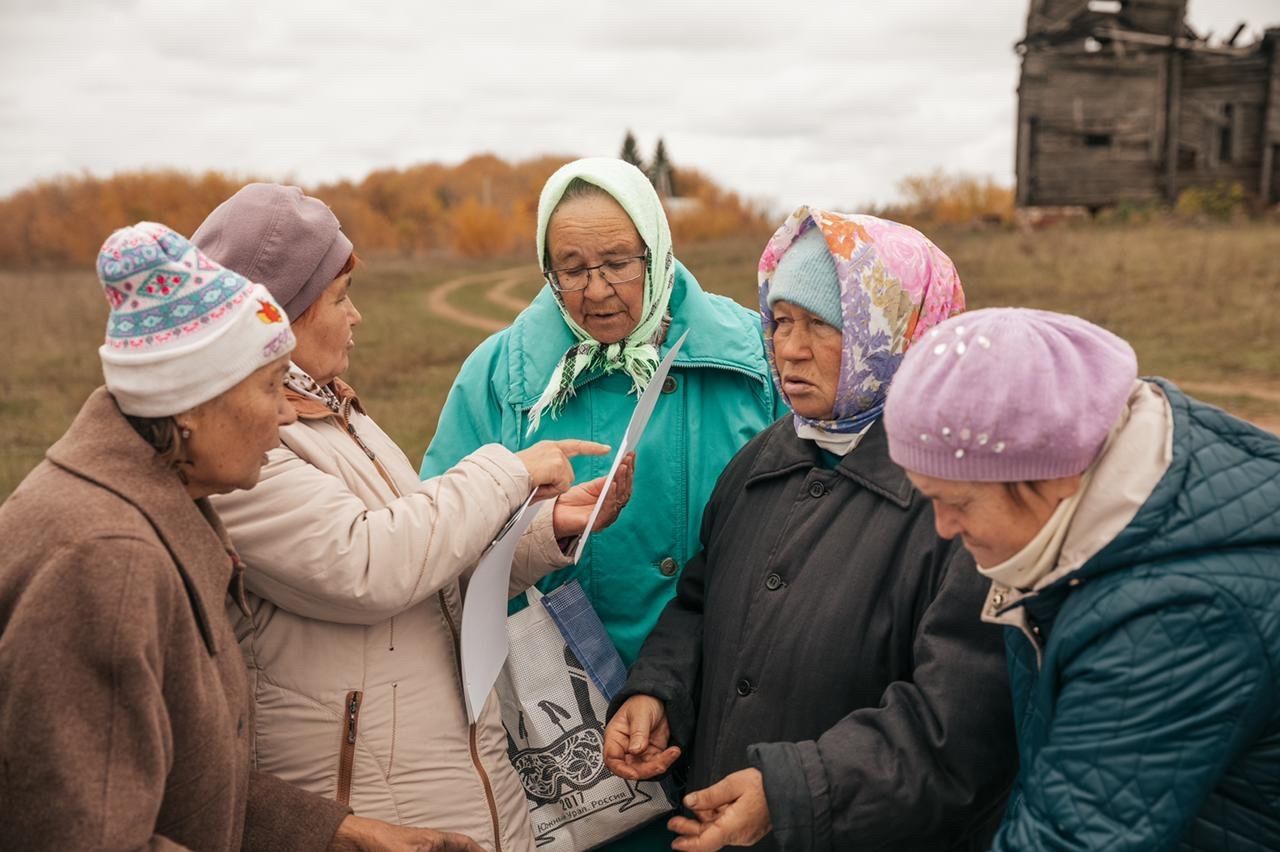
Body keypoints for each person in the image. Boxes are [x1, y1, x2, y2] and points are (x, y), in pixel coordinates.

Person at [0, 222, 481, 851]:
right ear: (191, 408)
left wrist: (338, 833)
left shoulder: (168, 508)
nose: (287, 414)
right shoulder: (104, 561)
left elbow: (180, 779)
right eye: (268, 386)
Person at [194, 184, 632, 851]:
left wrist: (549, 530)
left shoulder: (338, 416)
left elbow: (435, 570)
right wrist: (508, 469)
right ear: (279, 318)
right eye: (339, 300)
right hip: (363, 804)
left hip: (466, 783)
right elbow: (369, 565)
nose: (356, 317)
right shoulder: (245, 446)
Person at [604, 209, 1018, 852]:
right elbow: (700, 604)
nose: (790, 348)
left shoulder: (960, 501)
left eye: (823, 325)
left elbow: (959, 725)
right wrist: (659, 691)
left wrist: (792, 794)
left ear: (896, 331)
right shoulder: (763, 460)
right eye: (781, 321)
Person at [420, 159, 787, 848]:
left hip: (731, 702)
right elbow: (438, 534)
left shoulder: (753, 361)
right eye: (572, 268)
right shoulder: (502, 379)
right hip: (569, 728)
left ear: (658, 247)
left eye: (619, 261)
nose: (596, 290)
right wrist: (540, 524)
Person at [883, 307, 1280, 850]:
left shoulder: (1178, 615)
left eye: (955, 502)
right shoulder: (1087, 528)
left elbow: (1069, 836)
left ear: (1054, 474)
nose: (944, 527)